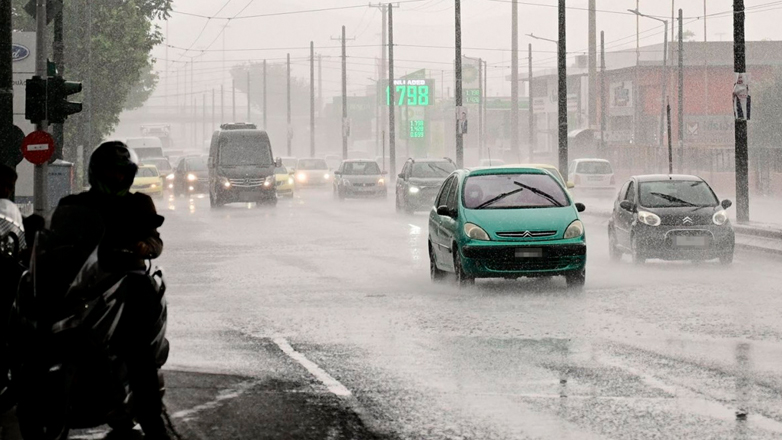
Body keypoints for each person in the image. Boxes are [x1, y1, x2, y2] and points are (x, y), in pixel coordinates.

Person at [56, 141, 169, 438]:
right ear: (96, 172)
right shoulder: (74, 204)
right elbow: (55, 239)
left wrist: (144, 246)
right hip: (83, 281)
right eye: (109, 171)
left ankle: (152, 418)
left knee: (137, 346)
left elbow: (154, 240)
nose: (115, 178)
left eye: (121, 173)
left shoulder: (139, 204)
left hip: (124, 279)